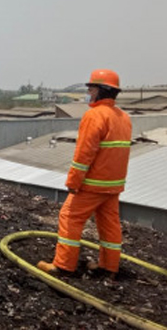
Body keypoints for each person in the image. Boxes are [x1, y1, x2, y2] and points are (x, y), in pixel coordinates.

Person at [37, 69, 132, 278]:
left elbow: (84, 153)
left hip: (92, 184)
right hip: (113, 185)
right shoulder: (123, 118)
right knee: (109, 224)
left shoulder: (95, 116)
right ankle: (109, 267)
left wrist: (73, 181)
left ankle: (63, 266)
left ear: (102, 90)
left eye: (92, 88)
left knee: (69, 217)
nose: (89, 92)